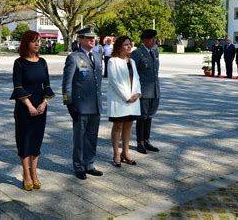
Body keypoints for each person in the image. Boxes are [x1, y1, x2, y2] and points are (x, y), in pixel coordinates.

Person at [10, 30, 55, 191]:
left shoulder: (42, 62)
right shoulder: (19, 63)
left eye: (39, 41)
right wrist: (29, 105)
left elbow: (47, 85)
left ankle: (34, 173)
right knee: (25, 140)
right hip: (24, 107)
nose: (38, 44)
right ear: (26, 43)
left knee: (37, 140)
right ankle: (26, 174)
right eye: (34, 41)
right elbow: (18, 87)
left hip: (41, 107)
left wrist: (44, 103)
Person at [62, 27, 104, 180]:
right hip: (80, 106)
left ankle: (89, 164)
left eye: (93, 37)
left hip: (95, 105)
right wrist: (68, 103)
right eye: (88, 37)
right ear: (80, 39)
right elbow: (66, 83)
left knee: (92, 136)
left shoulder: (98, 56)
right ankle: (79, 166)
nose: (92, 40)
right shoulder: (74, 57)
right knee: (79, 137)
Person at [107, 36, 141, 167]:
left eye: (130, 44)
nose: (129, 46)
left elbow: (137, 78)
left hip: (133, 100)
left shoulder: (131, 61)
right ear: (119, 46)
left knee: (128, 126)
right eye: (126, 44)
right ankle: (116, 153)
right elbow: (114, 81)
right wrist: (127, 96)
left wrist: (137, 93)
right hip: (120, 99)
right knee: (118, 126)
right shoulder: (113, 61)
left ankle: (125, 152)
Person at [131, 29, 160, 154]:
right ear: (144, 40)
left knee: (150, 116)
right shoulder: (137, 53)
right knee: (142, 117)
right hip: (143, 91)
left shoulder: (155, 51)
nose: (154, 41)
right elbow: (132, 72)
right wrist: (134, 90)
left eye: (154, 38)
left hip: (154, 90)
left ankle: (147, 140)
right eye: (151, 39)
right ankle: (140, 142)